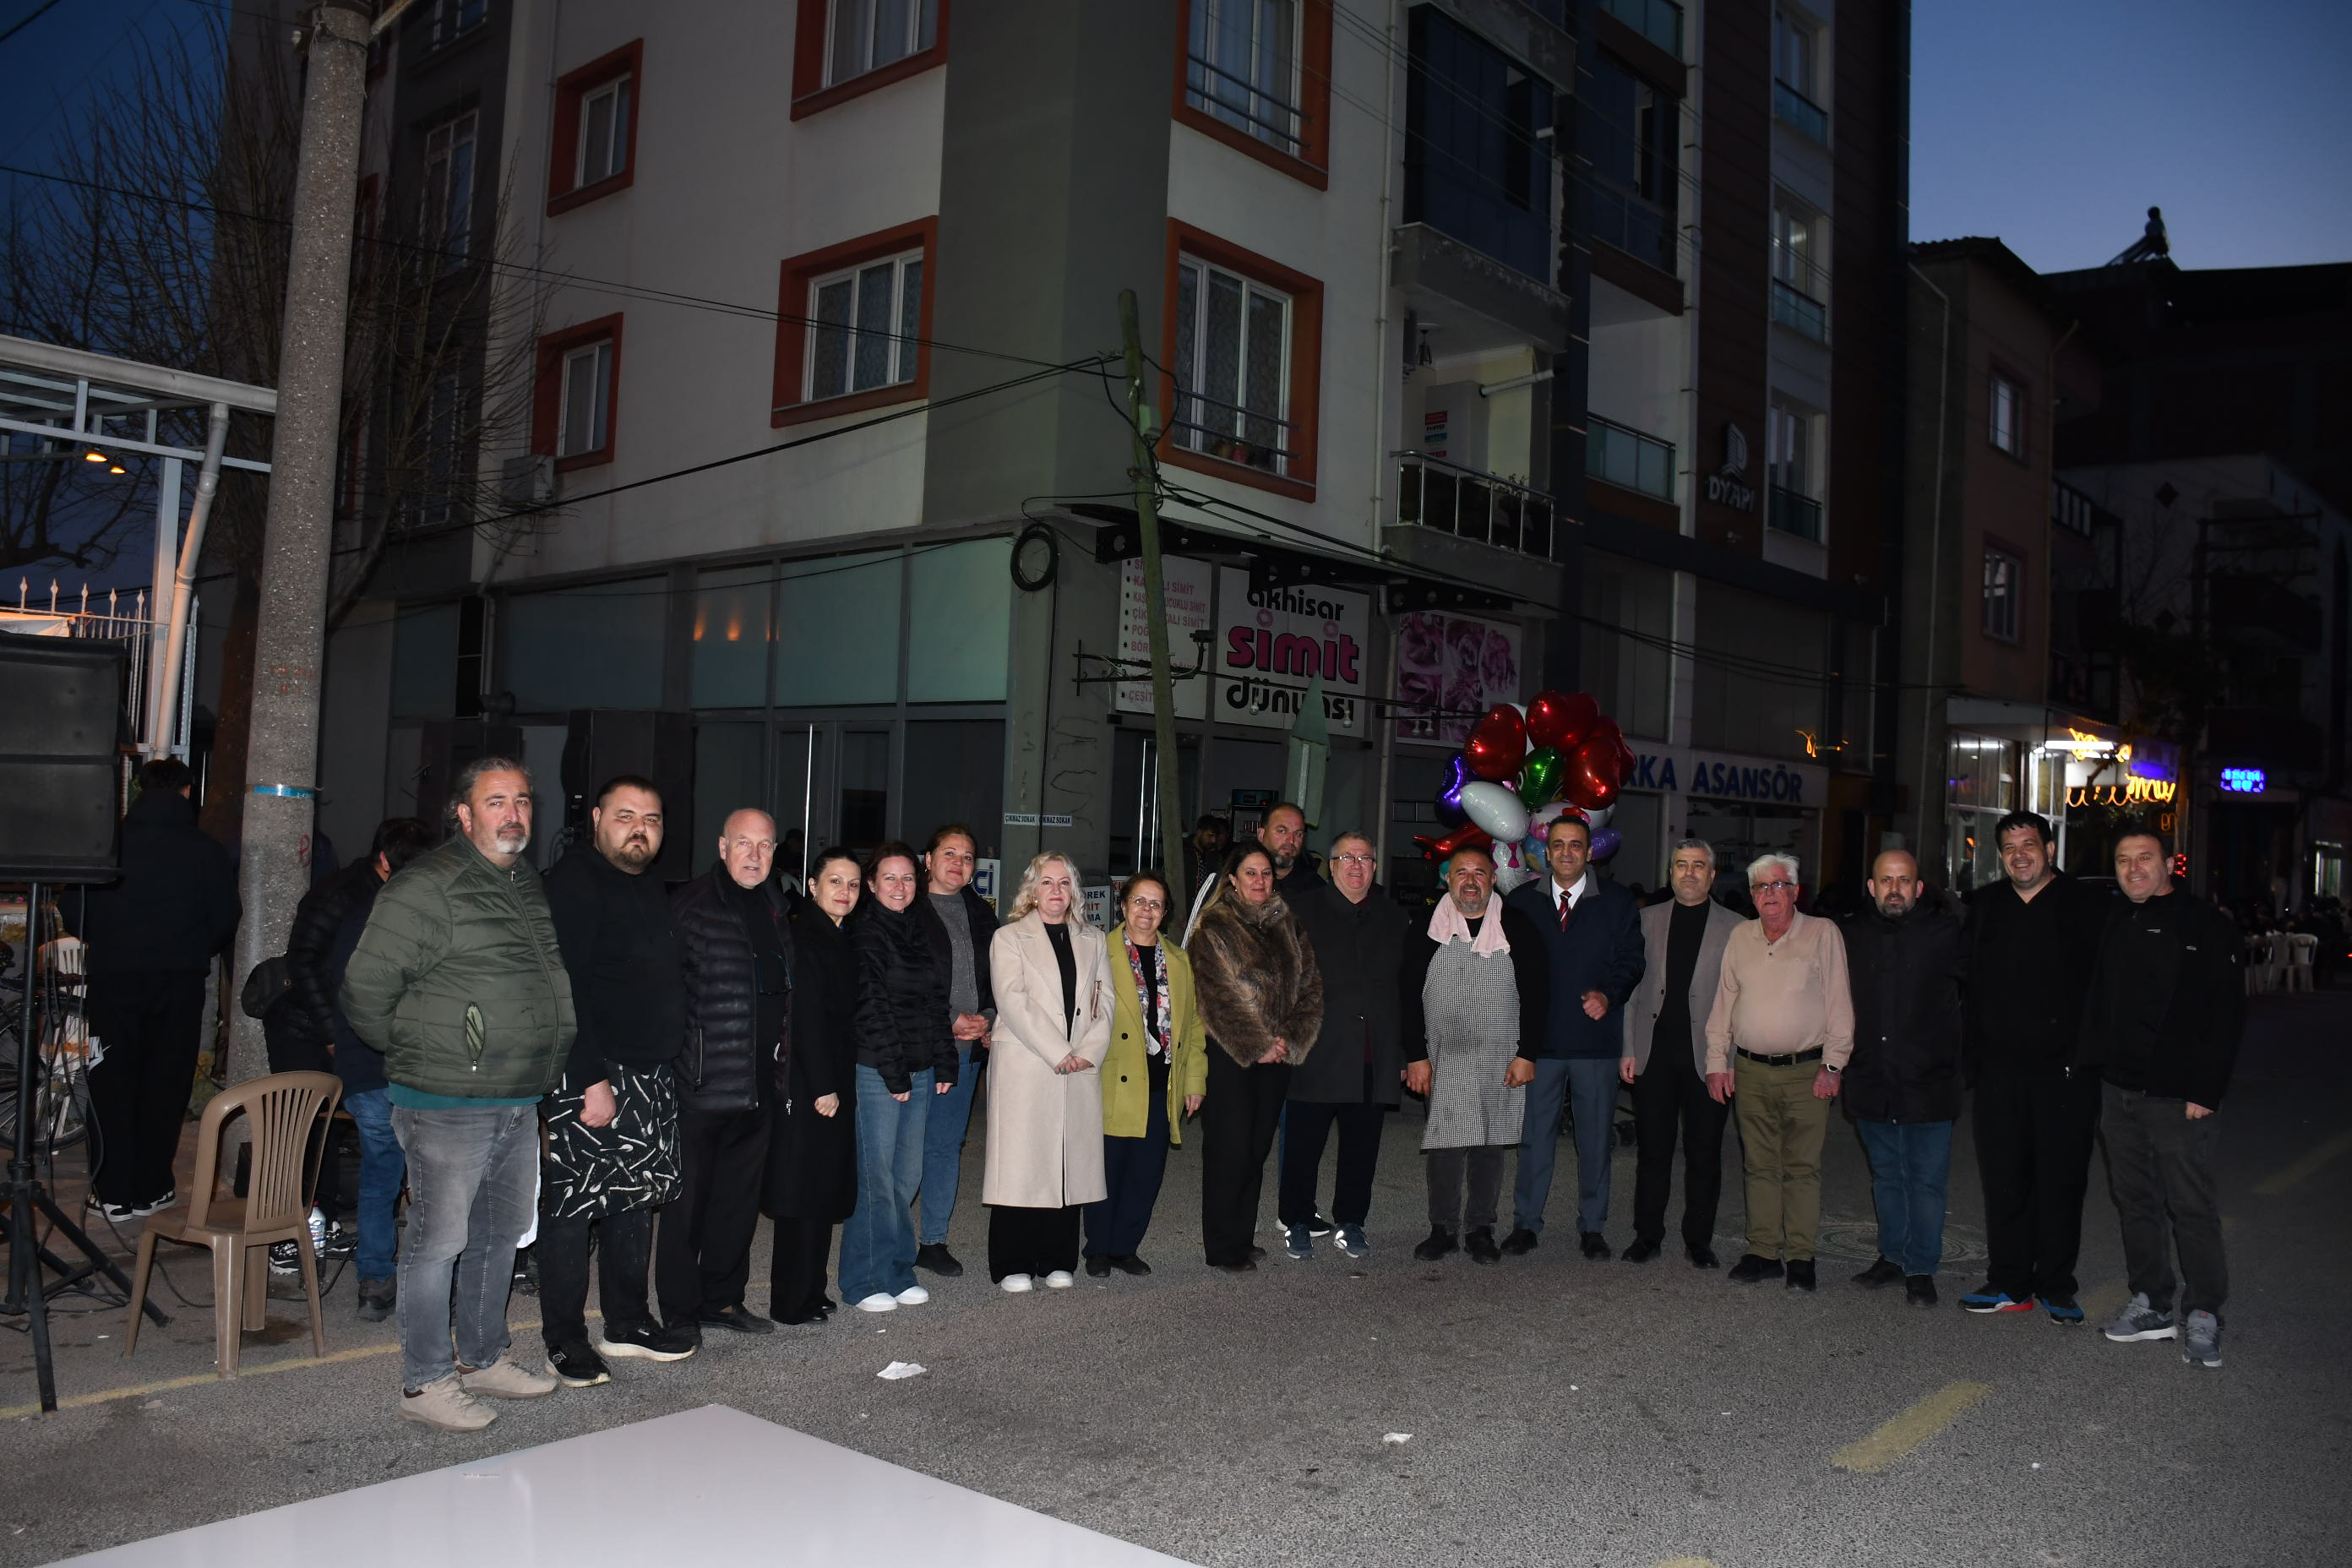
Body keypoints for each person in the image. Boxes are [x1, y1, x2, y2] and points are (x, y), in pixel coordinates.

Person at [340, 757, 569, 1430]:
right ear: (464, 814)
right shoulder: (426, 886)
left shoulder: (523, 880)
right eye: (496, 801)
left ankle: (483, 1356)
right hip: (445, 1101)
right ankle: (425, 1384)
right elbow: (364, 991)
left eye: (522, 800)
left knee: (499, 1237)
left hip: (515, 1095)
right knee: (436, 1244)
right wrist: (428, 1051)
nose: (514, 814)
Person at [538, 776, 694, 1388]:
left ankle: (626, 1323)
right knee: (574, 1209)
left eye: (651, 820)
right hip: (595, 1073)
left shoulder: (646, 883)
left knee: (634, 1201)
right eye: (626, 816)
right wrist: (589, 1080)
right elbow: (565, 989)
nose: (639, 829)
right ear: (597, 818)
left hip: (649, 1072)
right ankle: (564, 1339)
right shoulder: (574, 882)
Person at [2081, 824, 2244, 1370]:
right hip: (2119, 1089)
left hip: (2178, 1096)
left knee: (2190, 1205)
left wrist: (2205, 1089)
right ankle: (2151, 1302)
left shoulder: (2204, 924)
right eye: (2123, 860)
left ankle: (2205, 1311)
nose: (2133, 869)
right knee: (2136, 1202)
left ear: (2169, 864)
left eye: (2144, 858)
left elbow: (2227, 1013)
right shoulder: (2115, 918)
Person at [274, 815, 435, 1318]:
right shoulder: (357, 903)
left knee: (384, 1173)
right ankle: (417, 1283)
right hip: (387, 1060)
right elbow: (307, 968)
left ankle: (376, 1282)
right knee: (425, 1175)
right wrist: (333, 1034)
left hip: (368, 1060)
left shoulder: (368, 908)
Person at [1957, 810, 2112, 1321]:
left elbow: (2105, 989)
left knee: (2061, 1181)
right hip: (1999, 1072)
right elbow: (1967, 983)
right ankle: (2010, 1281)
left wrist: (2087, 1057)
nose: (2019, 855)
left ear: (2049, 850)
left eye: (2028, 845)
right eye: (2009, 848)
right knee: (2004, 1178)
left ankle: (2056, 1285)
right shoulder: (1986, 906)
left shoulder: (2088, 906)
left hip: (2066, 1074)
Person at [79, 756, 241, 1222]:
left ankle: (111, 1192)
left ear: (139, 790)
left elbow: (75, 908)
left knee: (111, 1079)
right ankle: (151, 1187)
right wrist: (190, 948)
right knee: (165, 1082)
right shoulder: (205, 850)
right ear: (188, 792)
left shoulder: (109, 844)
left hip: (114, 979)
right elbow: (225, 916)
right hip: (179, 981)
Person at [660, 808, 787, 1341]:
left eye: (765, 845)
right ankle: (680, 1312)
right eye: (743, 843)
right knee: (687, 1210)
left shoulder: (777, 906)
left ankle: (723, 1300)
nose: (754, 855)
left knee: (737, 1206)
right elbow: (666, 994)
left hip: (759, 1086)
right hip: (703, 1086)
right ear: (722, 846)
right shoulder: (690, 905)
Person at [1704, 852, 1854, 1292]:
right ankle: (1763, 1252)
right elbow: (1724, 1003)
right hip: (1750, 1070)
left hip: (1806, 1071)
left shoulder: (1823, 933)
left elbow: (1840, 1003)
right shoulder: (1740, 936)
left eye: (1778, 885)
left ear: (1795, 891)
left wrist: (1833, 1064)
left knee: (1802, 1168)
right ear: (1751, 895)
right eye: (1761, 887)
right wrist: (1717, 1063)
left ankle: (1801, 1257)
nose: (1770, 894)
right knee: (1759, 1166)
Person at [1500, 814, 1646, 1257]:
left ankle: (1593, 1227)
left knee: (1595, 1141)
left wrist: (1609, 994)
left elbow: (1632, 960)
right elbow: (1505, 968)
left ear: (1590, 852)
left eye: (1576, 845)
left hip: (1594, 1044)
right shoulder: (1521, 901)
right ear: (1546, 852)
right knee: (1533, 1140)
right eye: (1558, 845)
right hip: (1538, 1045)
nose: (1566, 852)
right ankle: (1526, 1224)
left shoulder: (1617, 902)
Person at [1397, 847, 1546, 1263]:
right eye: (1461, 872)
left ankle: (1481, 1229)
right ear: (1448, 879)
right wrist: (1416, 1056)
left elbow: (1538, 993)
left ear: (1493, 879)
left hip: (1501, 1054)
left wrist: (1527, 1054)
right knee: (1445, 1145)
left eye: (1479, 872)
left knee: (1490, 1144)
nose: (1470, 880)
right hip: (1443, 1054)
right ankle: (1442, 1229)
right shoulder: (1426, 925)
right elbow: (1407, 993)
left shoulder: (1517, 925)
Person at [1838, 850, 1967, 1308]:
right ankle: (1892, 1257)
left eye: (1904, 880)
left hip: (1929, 1082)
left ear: (1919, 887)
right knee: (1887, 1177)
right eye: (1887, 881)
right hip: (1872, 1078)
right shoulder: (1850, 934)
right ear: (1872, 887)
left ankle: (1921, 1267)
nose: (1895, 889)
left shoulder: (1947, 933)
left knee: (1926, 1182)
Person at [1187, 845, 1322, 1271]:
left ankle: (1242, 1238)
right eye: (1251, 873)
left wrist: (1287, 1039)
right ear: (1233, 879)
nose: (1260, 881)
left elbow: (1310, 987)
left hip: (1276, 1057)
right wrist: (1257, 1044)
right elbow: (1215, 998)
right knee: (1229, 1152)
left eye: (1266, 873)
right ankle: (1222, 1248)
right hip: (1231, 1056)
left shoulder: (1288, 923)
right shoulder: (1214, 926)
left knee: (1256, 1151)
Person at [982, 852, 1113, 1290]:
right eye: (1047, 882)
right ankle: (1012, 1263)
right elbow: (1012, 1000)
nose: (1056, 891)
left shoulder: (1094, 939)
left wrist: (1088, 1052)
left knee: (1067, 1160)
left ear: (1074, 891)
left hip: (1078, 1066)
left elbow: (1105, 1001)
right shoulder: (1008, 938)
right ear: (1032, 891)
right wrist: (1059, 1051)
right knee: (1021, 1165)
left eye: (1064, 882)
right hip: (1027, 1062)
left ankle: (1058, 1258)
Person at [1278, 830, 1409, 1261]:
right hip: (1316, 1052)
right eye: (1348, 858)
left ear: (1375, 867)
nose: (1357, 866)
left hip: (1372, 1054)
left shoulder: (1393, 917)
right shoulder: (1302, 910)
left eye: (1365, 859)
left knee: (1362, 1148)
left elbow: (1402, 989)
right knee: (1303, 1145)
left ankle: (1351, 1221)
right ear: (1332, 866)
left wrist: (1404, 1053)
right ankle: (1297, 1219)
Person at [842, 841, 959, 1313]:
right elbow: (871, 1008)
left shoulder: (917, 928)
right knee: (876, 1179)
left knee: (906, 1177)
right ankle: (862, 1280)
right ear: (871, 885)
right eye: (889, 877)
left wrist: (945, 1061)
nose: (899, 886)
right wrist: (894, 1075)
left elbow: (934, 1001)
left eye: (907, 877)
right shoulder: (865, 933)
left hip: (919, 1068)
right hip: (879, 1070)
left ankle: (896, 1269)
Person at [1619, 839, 1743, 1269]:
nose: (1689, 873)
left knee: (1704, 1154)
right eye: (1681, 865)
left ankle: (1699, 1240)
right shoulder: (1645, 920)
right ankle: (1647, 1236)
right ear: (1670, 872)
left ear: (1712, 874)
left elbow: (1741, 1001)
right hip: (1653, 1055)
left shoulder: (1737, 928)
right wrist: (1628, 1048)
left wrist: (1729, 1061)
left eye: (1698, 866)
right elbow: (1631, 990)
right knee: (1653, 1152)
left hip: (1709, 1060)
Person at [1086, 871, 1206, 1276]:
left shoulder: (1179, 961)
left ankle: (1125, 1248)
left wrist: (1194, 1082)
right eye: (1139, 901)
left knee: (1146, 1174)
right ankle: (1098, 1249)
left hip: (1162, 1084)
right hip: (1114, 1081)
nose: (1146, 910)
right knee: (1107, 1170)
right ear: (1123, 906)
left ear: (1165, 913)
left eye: (1156, 904)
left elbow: (1193, 1027)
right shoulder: (1099, 953)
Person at [766, 847, 863, 1324]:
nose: (845, 891)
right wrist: (824, 1085)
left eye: (853, 884)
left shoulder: (838, 935)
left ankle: (811, 1289)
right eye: (835, 882)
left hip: (833, 1077)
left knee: (821, 1188)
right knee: (802, 1193)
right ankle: (790, 1300)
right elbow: (805, 1019)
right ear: (812, 886)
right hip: (811, 1084)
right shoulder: (806, 937)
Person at [912, 824, 999, 1278]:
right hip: (917, 1045)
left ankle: (933, 1241)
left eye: (967, 857)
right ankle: (886, 1239)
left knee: (945, 1145)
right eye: (949, 853)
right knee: (903, 1147)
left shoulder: (981, 913)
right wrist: (949, 1018)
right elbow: (903, 979)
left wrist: (989, 1016)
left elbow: (998, 976)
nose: (958, 863)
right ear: (928, 860)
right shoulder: (907, 906)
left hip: (965, 1049)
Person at [1186, 814, 1231, 894]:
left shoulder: (1213, 855)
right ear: (1199, 832)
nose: (1213, 840)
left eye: (1215, 836)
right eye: (1210, 835)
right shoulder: (1185, 852)